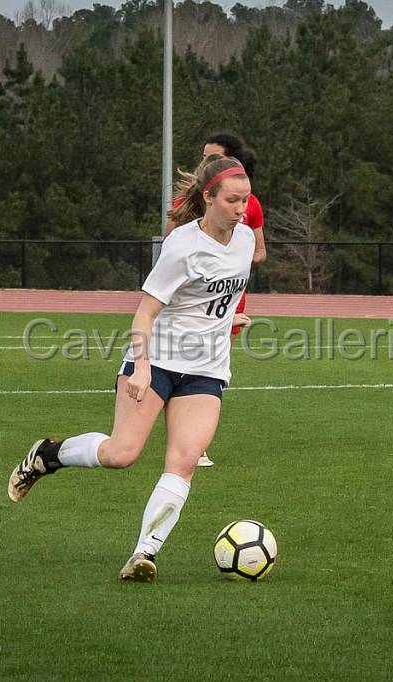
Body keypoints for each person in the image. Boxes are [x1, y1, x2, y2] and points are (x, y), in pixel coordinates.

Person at [7, 154, 254, 583]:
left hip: (206, 369)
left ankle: (144, 554)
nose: (241, 209)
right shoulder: (182, 245)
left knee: (185, 460)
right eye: (232, 200)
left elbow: (215, 297)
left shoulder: (247, 240)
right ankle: (48, 453)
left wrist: (225, 318)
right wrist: (140, 368)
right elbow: (144, 314)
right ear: (208, 197)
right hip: (155, 360)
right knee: (121, 454)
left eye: (246, 201)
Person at [167, 131, 267, 467]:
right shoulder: (184, 206)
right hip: (187, 301)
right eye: (204, 156)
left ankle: (194, 440)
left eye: (213, 157)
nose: (205, 162)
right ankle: (185, 436)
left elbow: (259, 250)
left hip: (225, 297)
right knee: (122, 450)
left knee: (211, 356)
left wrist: (230, 261)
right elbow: (172, 246)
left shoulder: (248, 206)